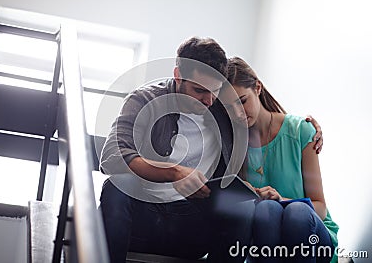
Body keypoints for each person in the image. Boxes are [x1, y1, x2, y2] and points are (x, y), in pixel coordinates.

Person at [98, 37, 323, 263]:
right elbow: (111, 157)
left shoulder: (222, 109)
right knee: (117, 186)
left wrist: (306, 125)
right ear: (178, 76)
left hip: (193, 226)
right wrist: (173, 172)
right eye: (199, 90)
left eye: (214, 91)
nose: (208, 100)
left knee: (243, 208)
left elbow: (258, 113)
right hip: (143, 216)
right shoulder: (144, 99)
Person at [219, 56, 339, 263]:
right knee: (266, 209)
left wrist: (282, 201)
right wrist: (254, 195)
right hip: (267, 237)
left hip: (312, 233)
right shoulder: (232, 144)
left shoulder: (301, 131)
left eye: (242, 101)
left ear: (257, 88)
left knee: (298, 213)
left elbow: (319, 207)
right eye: (229, 108)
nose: (238, 113)